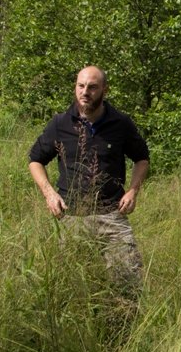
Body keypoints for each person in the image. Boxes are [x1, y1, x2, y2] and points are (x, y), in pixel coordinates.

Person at [29, 66, 150, 288]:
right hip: (71, 216)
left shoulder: (121, 123)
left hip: (112, 214)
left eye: (92, 87)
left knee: (127, 280)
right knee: (70, 283)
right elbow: (35, 160)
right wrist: (49, 193)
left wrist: (133, 191)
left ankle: (124, 320)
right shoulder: (60, 123)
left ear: (105, 89)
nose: (85, 92)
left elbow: (142, 158)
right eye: (81, 86)